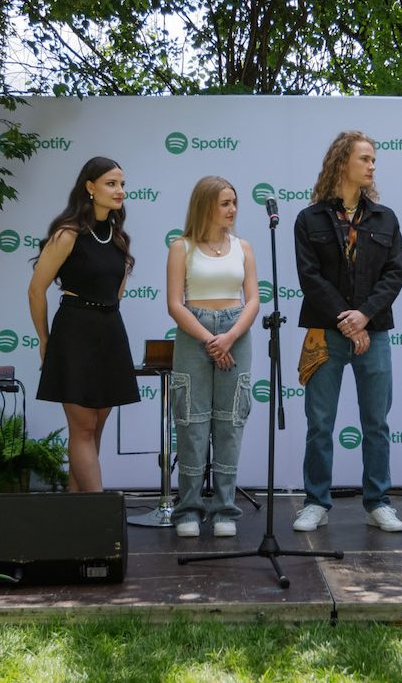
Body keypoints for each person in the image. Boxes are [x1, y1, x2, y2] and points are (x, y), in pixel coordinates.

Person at [291, 131, 402, 533]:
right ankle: (315, 502)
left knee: (376, 422)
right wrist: (346, 317)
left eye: (374, 159)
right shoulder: (309, 219)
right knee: (320, 422)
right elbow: (310, 277)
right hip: (325, 332)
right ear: (342, 163)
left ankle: (378, 502)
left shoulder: (386, 218)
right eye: (365, 158)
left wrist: (364, 316)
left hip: (373, 332)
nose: (372, 165)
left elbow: (395, 275)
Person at [28, 156, 141, 493]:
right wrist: (45, 340)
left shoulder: (119, 238)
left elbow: (116, 291)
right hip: (74, 330)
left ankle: (76, 520)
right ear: (89, 187)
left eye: (121, 184)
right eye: (111, 183)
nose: (120, 190)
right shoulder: (68, 234)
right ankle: (99, 515)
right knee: (82, 428)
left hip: (110, 330)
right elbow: (36, 289)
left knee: (95, 429)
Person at [165, 176, 260, 538]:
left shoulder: (244, 247)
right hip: (195, 335)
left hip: (236, 333)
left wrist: (230, 336)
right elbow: (175, 304)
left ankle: (225, 509)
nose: (232, 209)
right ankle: (188, 508)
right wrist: (210, 340)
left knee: (230, 423)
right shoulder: (181, 247)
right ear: (205, 205)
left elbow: (252, 300)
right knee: (191, 422)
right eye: (224, 203)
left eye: (234, 202)